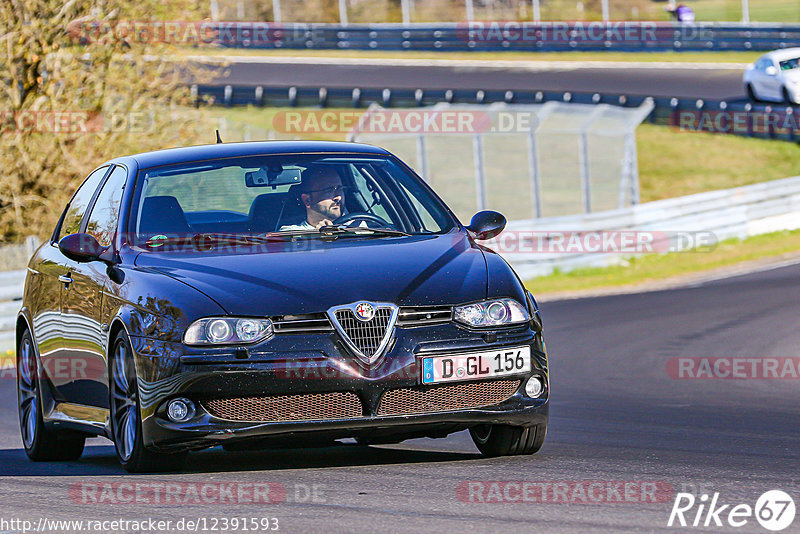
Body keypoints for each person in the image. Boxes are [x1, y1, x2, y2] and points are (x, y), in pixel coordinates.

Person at [279, 165, 345, 231]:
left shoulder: (353, 226)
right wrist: (320, 237)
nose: (338, 197)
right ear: (307, 200)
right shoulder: (292, 233)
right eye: (329, 190)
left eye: (339, 188)